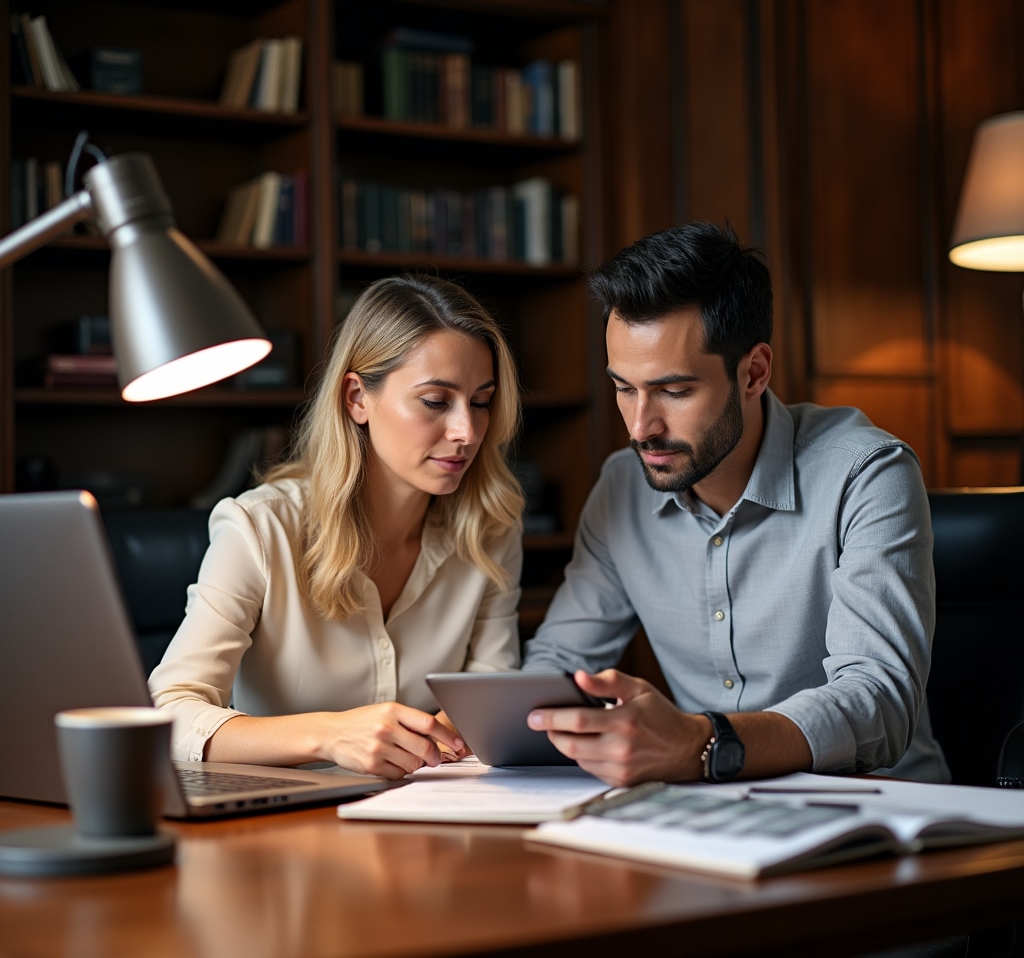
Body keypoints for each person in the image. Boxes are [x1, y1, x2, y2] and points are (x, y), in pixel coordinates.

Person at [523, 222, 949, 788]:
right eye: (624, 387)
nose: (640, 426)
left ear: (753, 372)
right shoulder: (621, 486)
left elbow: (878, 701)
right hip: (713, 808)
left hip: (886, 813)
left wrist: (704, 743)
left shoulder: (866, 473)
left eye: (674, 391)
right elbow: (558, 663)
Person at [149, 275, 525, 779]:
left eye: (481, 402)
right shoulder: (261, 527)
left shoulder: (492, 525)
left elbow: (490, 695)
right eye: (436, 401)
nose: (467, 431)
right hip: (283, 826)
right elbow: (171, 712)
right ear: (356, 398)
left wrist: (458, 727)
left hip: (427, 814)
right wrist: (330, 733)